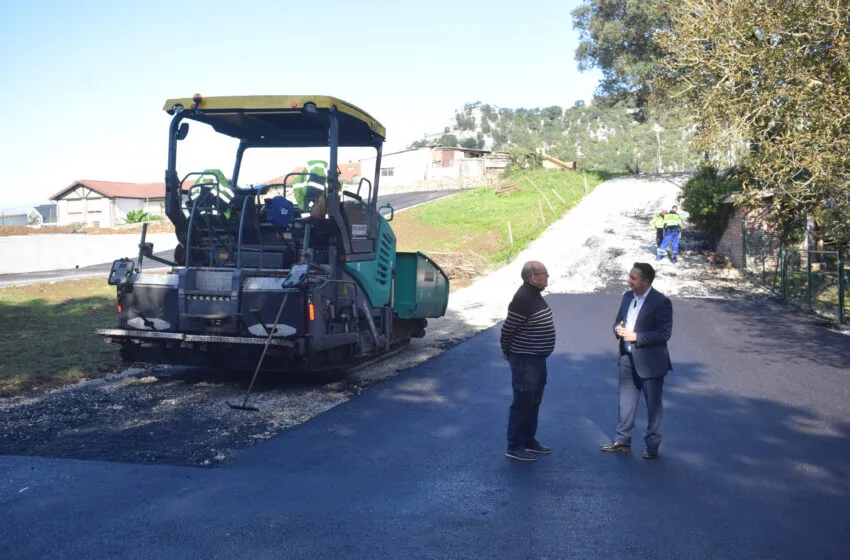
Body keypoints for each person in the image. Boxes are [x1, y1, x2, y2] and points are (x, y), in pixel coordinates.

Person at [600, 262, 673, 459]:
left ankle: (652, 446)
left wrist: (637, 337)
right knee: (625, 403)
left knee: (653, 407)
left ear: (645, 281)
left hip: (650, 364)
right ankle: (622, 441)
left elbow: (664, 333)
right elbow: (618, 320)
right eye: (629, 276)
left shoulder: (661, 302)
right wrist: (617, 329)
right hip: (627, 359)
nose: (628, 281)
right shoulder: (627, 297)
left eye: (633, 278)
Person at [500, 261, 556, 462]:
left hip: (537, 359)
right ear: (533, 277)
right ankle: (514, 446)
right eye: (544, 274)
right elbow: (508, 329)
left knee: (534, 402)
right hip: (525, 360)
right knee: (523, 403)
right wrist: (507, 351)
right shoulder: (523, 298)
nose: (547, 277)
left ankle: (528, 440)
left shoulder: (534, 294)